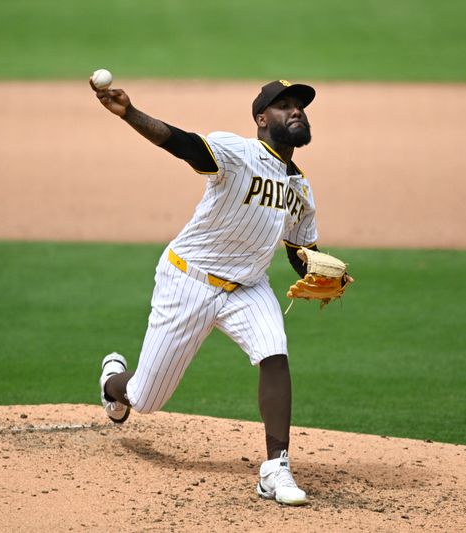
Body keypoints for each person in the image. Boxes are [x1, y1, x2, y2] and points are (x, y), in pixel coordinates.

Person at [92, 79, 325, 506]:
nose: (296, 112)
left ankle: (276, 469)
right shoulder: (238, 153)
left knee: (274, 351)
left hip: (248, 287)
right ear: (260, 119)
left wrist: (323, 272)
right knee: (145, 397)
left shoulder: (301, 190)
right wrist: (130, 112)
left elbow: (299, 250)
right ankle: (112, 384)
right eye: (283, 106)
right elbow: (182, 144)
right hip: (189, 280)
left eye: (300, 107)